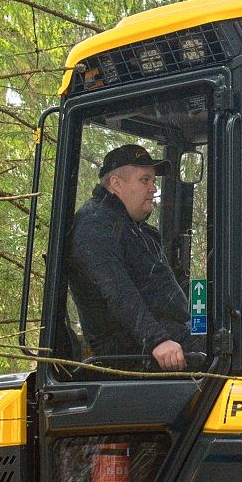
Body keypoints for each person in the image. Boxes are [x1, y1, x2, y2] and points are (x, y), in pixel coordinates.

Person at [67, 144, 195, 371]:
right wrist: (157, 340)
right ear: (116, 184)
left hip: (165, 336)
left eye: (153, 180)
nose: (154, 188)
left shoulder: (138, 229)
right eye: (145, 180)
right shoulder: (95, 225)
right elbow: (116, 289)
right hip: (130, 354)